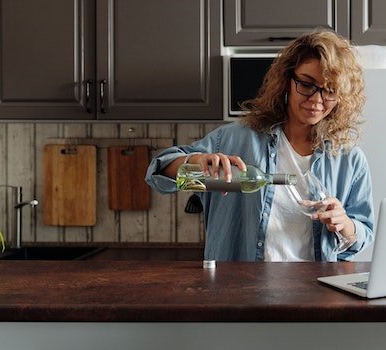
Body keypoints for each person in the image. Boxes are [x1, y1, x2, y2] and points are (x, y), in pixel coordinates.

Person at [145, 28, 373, 262]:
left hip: (312, 292)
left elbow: (363, 235)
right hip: (240, 290)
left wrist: (346, 225)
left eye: (330, 91)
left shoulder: (349, 159)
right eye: (306, 85)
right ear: (287, 81)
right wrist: (195, 162)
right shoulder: (236, 139)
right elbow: (158, 174)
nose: (316, 99)